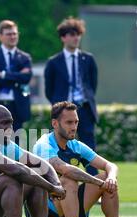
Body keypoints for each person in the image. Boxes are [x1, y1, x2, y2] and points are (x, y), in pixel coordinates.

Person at [30, 101, 137, 217]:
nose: (74, 127)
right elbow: (65, 169)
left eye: (76, 122)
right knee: (68, 180)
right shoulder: (44, 144)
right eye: (69, 122)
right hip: (44, 209)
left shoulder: (76, 145)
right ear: (55, 123)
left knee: (107, 179)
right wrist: (97, 182)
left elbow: (111, 165)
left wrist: (111, 178)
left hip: (68, 206)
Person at [44, 17, 99, 176]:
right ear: (63, 37)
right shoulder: (54, 62)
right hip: (62, 111)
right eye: (72, 34)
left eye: (78, 34)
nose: (76, 38)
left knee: (89, 148)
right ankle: (60, 184)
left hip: (85, 109)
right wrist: (60, 107)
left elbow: (92, 85)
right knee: (60, 147)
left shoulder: (88, 59)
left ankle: (93, 186)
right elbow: (49, 90)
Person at [0, 20, 32, 132]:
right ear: (0, 36)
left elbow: (26, 78)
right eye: (9, 34)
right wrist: (17, 76)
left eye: (15, 33)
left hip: (17, 107)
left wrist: (4, 75)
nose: (12, 37)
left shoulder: (25, 57)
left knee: (15, 144)